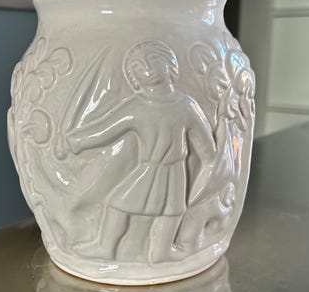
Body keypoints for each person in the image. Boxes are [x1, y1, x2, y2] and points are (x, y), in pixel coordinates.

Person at [64, 40, 217, 263]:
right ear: (134, 78)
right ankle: (105, 247)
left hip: (174, 171)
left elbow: (207, 150)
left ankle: (162, 252)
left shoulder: (186, 106)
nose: (147, 68)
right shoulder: (136, 106)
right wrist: (77, 141)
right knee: (117, 203)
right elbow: (106, 130)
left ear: (170, 65)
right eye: (138, 66)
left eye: (153, 59)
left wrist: (207, 177)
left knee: (171, 211)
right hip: (148, 169)